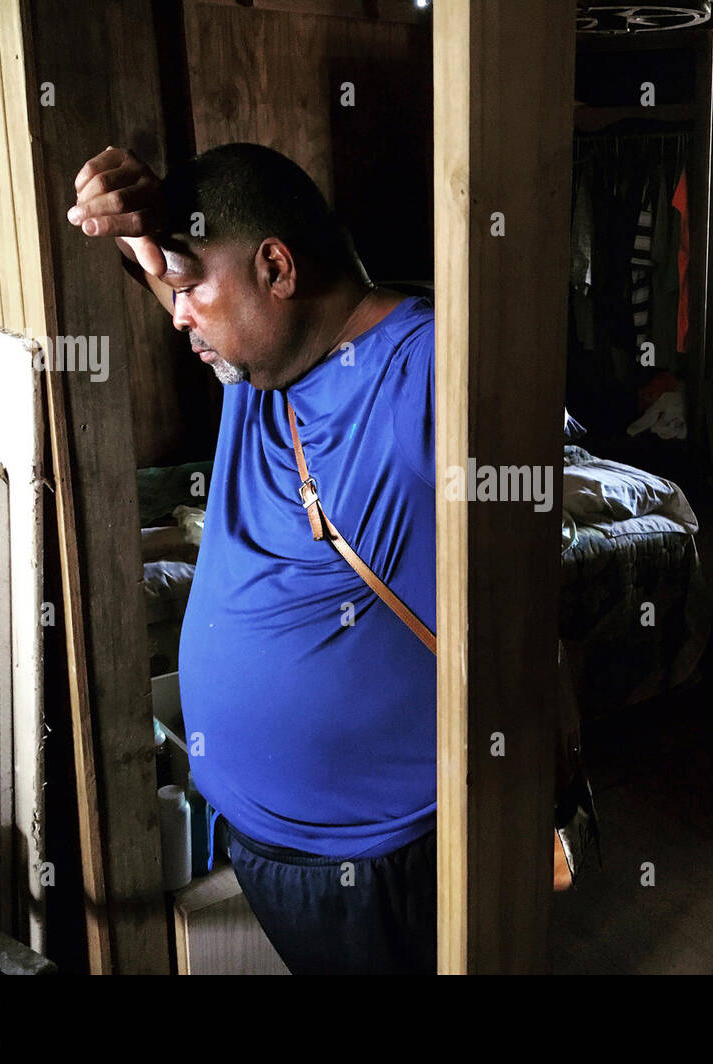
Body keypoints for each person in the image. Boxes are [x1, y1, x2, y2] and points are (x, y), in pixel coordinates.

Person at [68, 143, 437, 974]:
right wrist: (136, 228)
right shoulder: (261, 369)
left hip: (377, 865)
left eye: (191, 285)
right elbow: (179, 280)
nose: (175, 313)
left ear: (277, 266)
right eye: (172, 284)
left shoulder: (424, 370)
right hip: (270, 848)